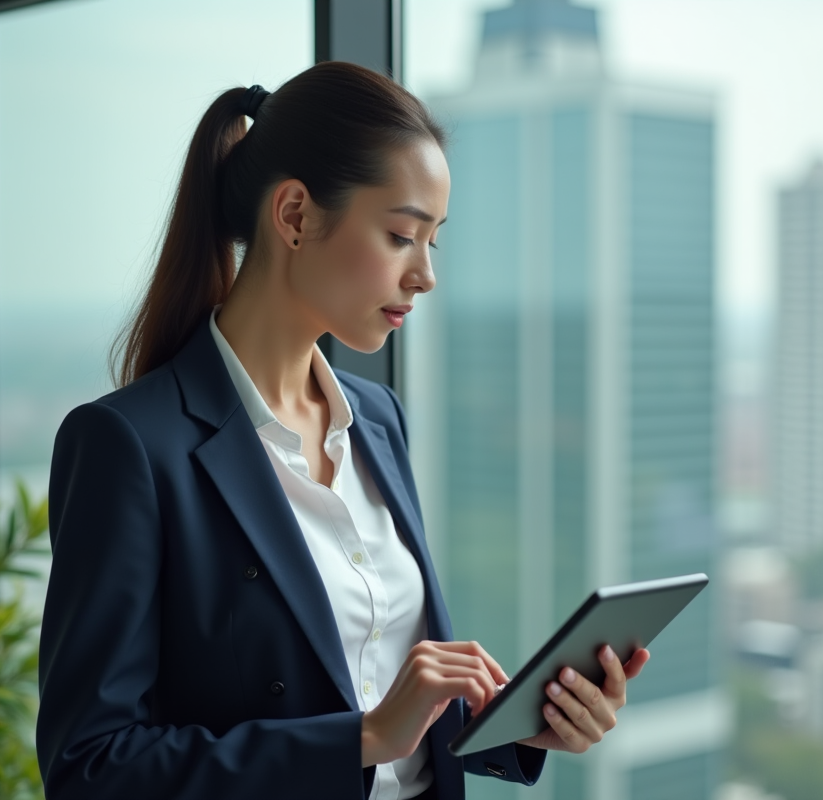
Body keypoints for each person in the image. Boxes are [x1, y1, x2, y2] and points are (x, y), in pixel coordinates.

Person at [35, 60, 650, 800]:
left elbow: (390, 706)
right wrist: (359, 738)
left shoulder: (379, 422)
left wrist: (515, 723)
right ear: (294, 215)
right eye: (400, 236)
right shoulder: (128, 446)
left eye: (434, 241)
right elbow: (91, 769)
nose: (425, 274)